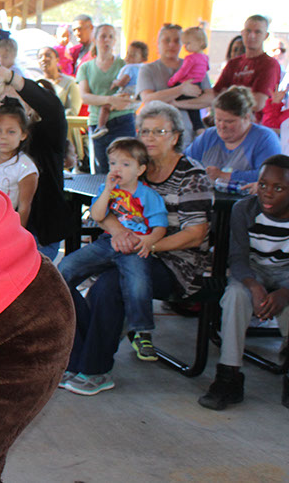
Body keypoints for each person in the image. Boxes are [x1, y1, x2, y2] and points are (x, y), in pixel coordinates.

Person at [61, 101, 213, 395]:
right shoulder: (130, 167)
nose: (150, 137)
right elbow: (104, 211)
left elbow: (196, 234)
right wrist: (119, 232)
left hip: (175, 262)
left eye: (159, 131)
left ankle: (95, 371)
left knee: (107, 286)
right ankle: (78, 357)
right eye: (144, 130)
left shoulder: (191, 174)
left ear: (176, 136)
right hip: (124, 248)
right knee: (62, 279)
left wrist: (147, 245)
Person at [57, 137, 168, 362]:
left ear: (140, 169)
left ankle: (141, 329)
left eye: (126, 165)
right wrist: (107, 190)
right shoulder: (107, 189)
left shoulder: (148, 196)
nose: (118, 169)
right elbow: (97, 215)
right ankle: (62, 310)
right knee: (66, 266)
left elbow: (160, 226)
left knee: (138, 283)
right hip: (108, 243)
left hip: (135, 247)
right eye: (114, 163)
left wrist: (149, 242)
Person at [198, 155, 289, 411]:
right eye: (262, 185)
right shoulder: (244, 209)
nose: (268, 194)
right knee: (235, 295)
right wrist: (254, 286)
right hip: (253, 269)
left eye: (279, 188)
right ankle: (229, 376)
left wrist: (285, 293)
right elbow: (237, 258)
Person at [0, 63, 69, 261]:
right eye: (2, 101)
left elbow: (54, 109)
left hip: (38, 234)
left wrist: (10, 77)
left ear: (29, 107)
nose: (8, 108)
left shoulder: (46, 134)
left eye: (15, 101)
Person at [187, 85, 281, 185]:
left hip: (247, 199)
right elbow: (185, 162)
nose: (222, 126)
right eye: (218, 120)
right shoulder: (209, 136)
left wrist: (223, 175)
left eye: (229, 121)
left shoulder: (265, 138)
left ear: (246, 117)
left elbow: (269, 175)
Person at [137, 23, 214, 141]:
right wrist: (181, 90)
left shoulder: (196, 65)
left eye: (177, 41)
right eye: (166, 40)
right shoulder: (148, 69)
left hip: (189, 135)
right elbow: (148, 99)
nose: (171, 44)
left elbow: (209, 99)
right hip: (157, 138)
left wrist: (178, 104)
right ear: (158, 43)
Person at [77, 23, 136, 173]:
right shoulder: (86, 67)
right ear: (95, 39)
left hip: (122, 120)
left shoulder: (124, 64)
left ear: (115, 41)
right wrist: (110, 100)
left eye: (110, 36)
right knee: (101, 170)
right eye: (103, 36)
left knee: (126, 168)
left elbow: (133, 93)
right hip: (97, 123)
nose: (107, 40)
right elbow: (84, 96)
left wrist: (116, 102)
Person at [0, 98, 38, 228]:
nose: (3, 136)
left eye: (11, 132)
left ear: (23, 135)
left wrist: (16, 238)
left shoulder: (26, 168)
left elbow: (24, 208)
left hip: (6, 227)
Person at [213, 15, 281, 119]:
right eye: (248, 31)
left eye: (257, 32)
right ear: (242, 33)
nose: (251, 36)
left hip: (254, 125)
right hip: (227, 123)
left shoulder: (270, 64)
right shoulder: (233, 63)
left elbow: (258, 103)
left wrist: (227, 94)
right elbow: (215, 93)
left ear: (266, 36)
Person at [91, 40, 147, 139]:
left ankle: (101, 126)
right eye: (128, 54)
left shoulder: (130, 68)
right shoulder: (143, 68)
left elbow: (123, 82)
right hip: (136, 98)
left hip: (125, 95)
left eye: (133, 55)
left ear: (142, 58)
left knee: (105, 106)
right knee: (132, 113)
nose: (128, 57)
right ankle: (138, 129)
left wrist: (115, 82)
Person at [167, 27, 210, 132]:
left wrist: (172, 81)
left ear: (199, 42)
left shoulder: (190, 58)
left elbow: (183, 72)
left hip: (187, 83)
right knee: (194, 112)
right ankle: (199, 128)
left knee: (170, 99)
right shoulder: (205, 57)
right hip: (198, 85)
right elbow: (207, 68)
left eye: (188, 43)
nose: (185, 47)